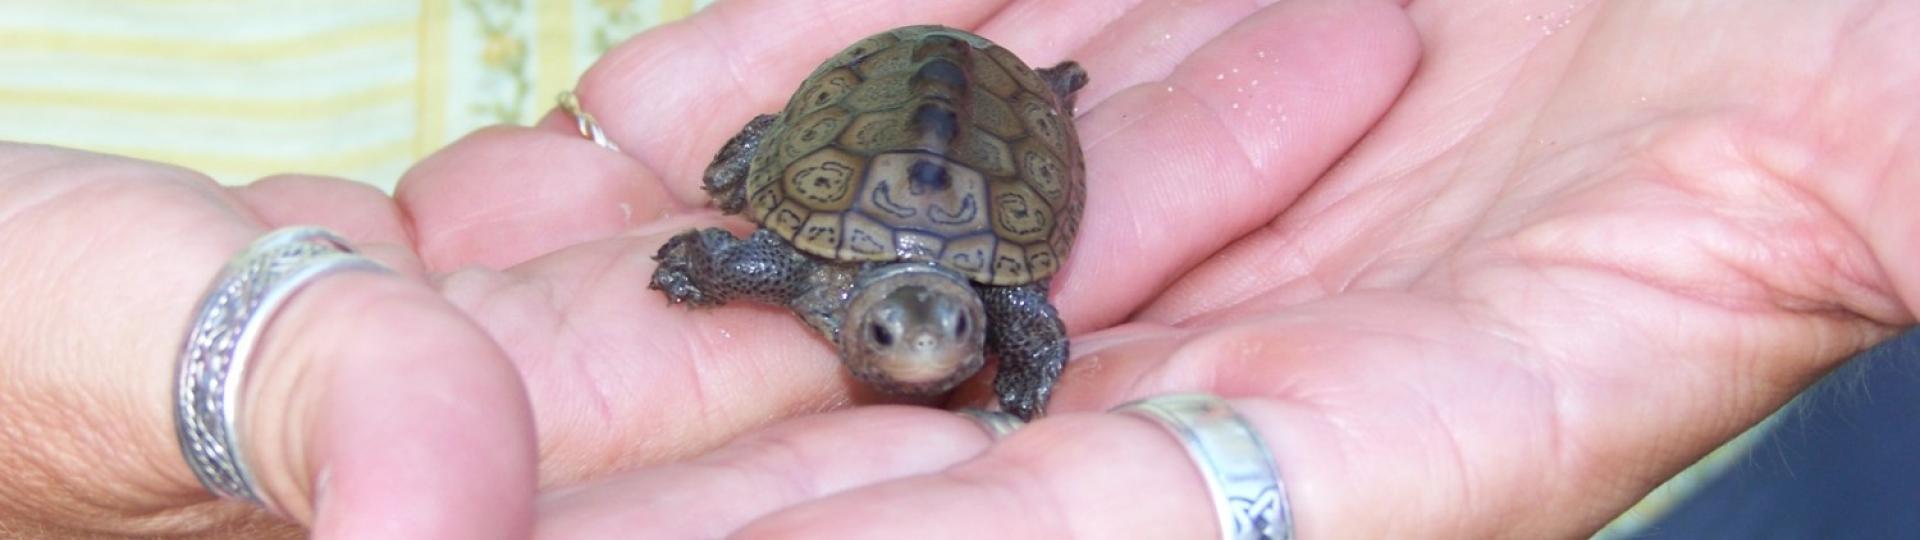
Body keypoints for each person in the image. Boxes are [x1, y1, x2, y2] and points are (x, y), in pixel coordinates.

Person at [1, 0, 1912, 538]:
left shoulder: (987, 306)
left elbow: (1005, 315)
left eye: (938, 327)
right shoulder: (810, 268)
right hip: (866, 122)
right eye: (914, 323)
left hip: (999, 104)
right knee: (749, 219)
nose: (923, 335)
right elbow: (745, 248)